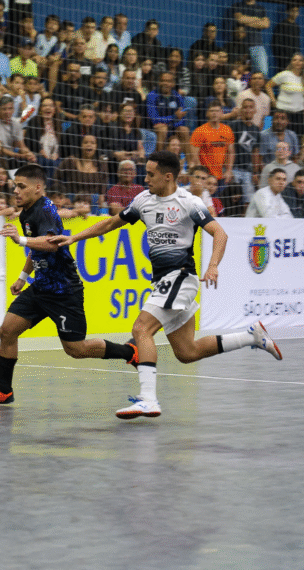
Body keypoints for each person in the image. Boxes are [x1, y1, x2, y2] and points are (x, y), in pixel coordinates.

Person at [51, 150, 282, 418]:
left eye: (150, 174)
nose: (145, 178)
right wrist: (73, 238)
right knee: (187, 351)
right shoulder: (143, 200)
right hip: (163, 280)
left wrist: (214, 265)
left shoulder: (188, 202)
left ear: (168, 176)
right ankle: (251, 336)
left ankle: (148, 399)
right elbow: (112, 223)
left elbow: (219, 233)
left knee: (141, 329)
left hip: (180, 276)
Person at [0, 163, 140, 406]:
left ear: (38, 187)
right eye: (14, 186)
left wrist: (19, 239)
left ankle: (130, 352)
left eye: (21, 186)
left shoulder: (46, 211)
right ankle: (4, 390)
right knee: (7, 331)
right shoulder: (28, 211)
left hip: (63, 291)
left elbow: (51, 243)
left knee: (76, 350)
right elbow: (36, 247)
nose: (16, 191)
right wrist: (23, 275)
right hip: (41, 287)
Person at [189, 102, 235, 193]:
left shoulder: (227, 130)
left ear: (221, 113)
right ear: (207, 114)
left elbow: (231, 152)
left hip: (221, 176)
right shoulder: (200, 131)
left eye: (217, 111)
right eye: (212, 111)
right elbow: (194, 156)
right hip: (206, 177)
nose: (214, 113)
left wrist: (229, 170)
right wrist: (202, 176)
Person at [228, 97, 261, 206]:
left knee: (249, 202)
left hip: (248, 171)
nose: (248, 110)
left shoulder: (256, 130)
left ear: (255, 110)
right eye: (245, 107)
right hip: (234, 169)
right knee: (233, 201)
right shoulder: (233, 125)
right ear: (241, 110)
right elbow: (228, 149)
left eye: (251, 107)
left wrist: (255, 172)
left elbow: (255, 152)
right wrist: (228, 169)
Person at [232, 0, 270, 77]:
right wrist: (258, 20)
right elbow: (240, 19)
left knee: (263, 73)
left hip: (257, 45)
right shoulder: (237, 5)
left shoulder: (261, 8)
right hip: (240, 46)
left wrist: (246, 20)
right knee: (240, 74)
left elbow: (266, 24)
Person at [271, 4, 300, 74]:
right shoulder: (281, 25)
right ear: (287, 12)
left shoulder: (297, 27)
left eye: (297, 11)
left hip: (295, 61)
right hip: (284, 62)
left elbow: (297, 45)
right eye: (293, 11)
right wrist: (282, 60)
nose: (295, 13)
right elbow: (276, 44)